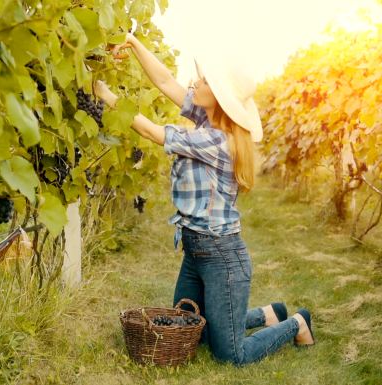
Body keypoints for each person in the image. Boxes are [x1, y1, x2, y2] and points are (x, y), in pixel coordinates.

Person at [93, 34, 315, 366]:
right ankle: (269, 313)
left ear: (219, 97)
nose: (195, 81)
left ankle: (295, 323)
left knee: (231, 355)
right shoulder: (205, 117)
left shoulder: (216, 139)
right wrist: (132, 42)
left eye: (204, 80)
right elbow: (166, 81)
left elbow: (154, 133)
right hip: (196, 252)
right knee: (190, 331)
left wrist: (108, 96)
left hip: (222, 257)